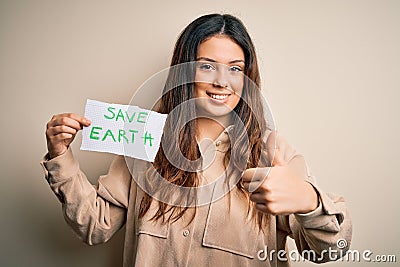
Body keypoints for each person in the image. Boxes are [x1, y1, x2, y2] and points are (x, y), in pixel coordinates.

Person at [41, 14, 352, 266]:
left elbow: (328, 250)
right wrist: (61, 156)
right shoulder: (145, 142)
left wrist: (310, 202)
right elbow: (95, 226)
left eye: (235, 69)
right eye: (206, 66)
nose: (221, 81)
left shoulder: (273, 156)